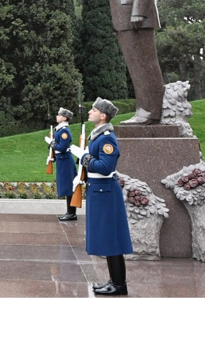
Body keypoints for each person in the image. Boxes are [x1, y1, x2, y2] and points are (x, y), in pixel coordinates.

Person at [78, 97, 132, 296]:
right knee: (108, 238)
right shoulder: (97, 136)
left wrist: (85, 158)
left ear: (103, 116)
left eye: (93, 110)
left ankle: (119, 284)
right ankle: (114, 281)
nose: (89, 111)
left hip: (105, 191)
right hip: (100, 191)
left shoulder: (106, 138)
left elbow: (105, 166)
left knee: (112, 238)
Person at [50, 108, 77, 221]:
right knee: (66, 186)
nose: (57, 116)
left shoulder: (64, 131)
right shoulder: (60, 130)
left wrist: (52, 144)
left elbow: (62, 147)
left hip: (65, 160)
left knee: (68, 186)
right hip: (62, 160)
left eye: (59, 115)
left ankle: (71, 213)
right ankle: (69, 212)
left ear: (64, 118)